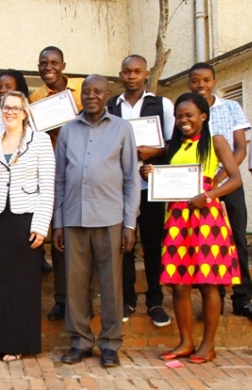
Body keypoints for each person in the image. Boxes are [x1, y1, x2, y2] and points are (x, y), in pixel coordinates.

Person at [145, 93, 241, 364]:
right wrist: (151, 175)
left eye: (189, 115)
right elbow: (167, 181)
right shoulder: (175, 145)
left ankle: (207, 345)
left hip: (206, 218)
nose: (183, 120)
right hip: (177, 219)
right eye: (179, 116)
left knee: (209, 284)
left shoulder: (216, 141)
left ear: (203, 116)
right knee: (178, 285)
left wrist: (209, 195)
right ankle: (186, 342)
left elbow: (235, 179)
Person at [53, 75, 139, 368]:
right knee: (76, 286)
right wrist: (58, 224)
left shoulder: (122, 129)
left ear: (107, 95)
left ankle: (110, 344)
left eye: (97, 91)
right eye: (86, 91)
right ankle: (80, 342)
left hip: (111, 218)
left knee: (111, 284)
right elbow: (60, 180)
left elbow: (131, 179)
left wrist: (129, 224)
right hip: (74, 218)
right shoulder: (67, 131)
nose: (91, 96)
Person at [0, 91, 54, 362]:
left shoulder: (40, 141)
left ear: (24, 112)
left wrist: (42, 226)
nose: (10, 112)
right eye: (6, 108)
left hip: (26, 220)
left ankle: (18, 343)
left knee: (21, 285)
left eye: (15, 108)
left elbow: (48, 188)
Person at [106, 55, 175, 326]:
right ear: (120, 75)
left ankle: (155, 300)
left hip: (151, 187)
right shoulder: (111, 107)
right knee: (124, 243)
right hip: (119, 189)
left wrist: (152, 152)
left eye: (137, 72)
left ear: (146, 74)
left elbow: (173, 144)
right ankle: (128, 299)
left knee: (152, 243)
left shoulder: (162, 104)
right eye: (126, 72)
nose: (131, 76)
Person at [187, 62, 252, 319]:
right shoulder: (188, 111)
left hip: (227, 182)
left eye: (206, 80)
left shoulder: (231, 107)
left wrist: (219, 178)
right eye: (195, 80)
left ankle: (242, 298)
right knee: (207, 241)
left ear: (214, 82)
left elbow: (240, 149)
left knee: (237, 238)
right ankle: (215, 299)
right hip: (197, 187)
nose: (200, 85)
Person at [30, 46, 85, 321]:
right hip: (48, 174)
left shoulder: (82, 90)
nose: (48, 67)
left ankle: (78, 300)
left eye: (53, 62)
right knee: (56, 237)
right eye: (43, 63)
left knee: (74, 237)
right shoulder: (36, 98)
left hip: (78, 173)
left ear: (63, 64)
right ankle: (61, 300)